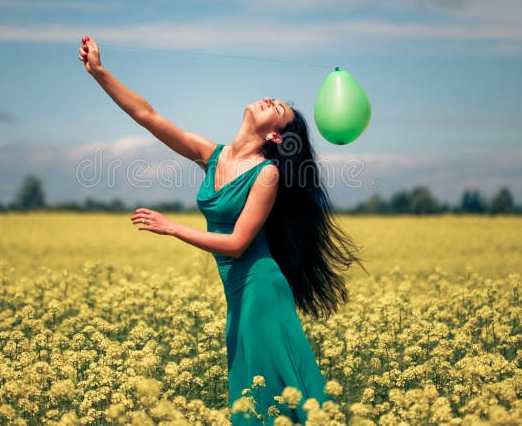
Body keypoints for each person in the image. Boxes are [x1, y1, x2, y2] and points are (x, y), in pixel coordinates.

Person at [78, 37, 367, 424]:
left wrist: (172, 228)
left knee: (268, 399)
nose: (268, 99)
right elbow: (148, 115)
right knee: (254, 395)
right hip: (239, 294)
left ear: (276, 137)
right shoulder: (211, 156)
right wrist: (99, 73)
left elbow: (235, 244)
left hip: (261, 291)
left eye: (276, 108)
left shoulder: (266, 175)